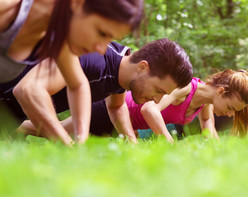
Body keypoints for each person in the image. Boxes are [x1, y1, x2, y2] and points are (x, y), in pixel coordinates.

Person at [0, 0, 143, 144]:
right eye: (102, 33)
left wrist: (80, 141)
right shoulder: (7, 9)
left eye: (110, 39)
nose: (101, 49)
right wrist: (65, 143)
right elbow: (28, 90)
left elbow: (78, 85)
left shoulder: (59, 36)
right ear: (77, 3)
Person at [16, 39, 193, 143]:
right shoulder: (94, 59)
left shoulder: (121, 71)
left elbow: (117, 107)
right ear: (142, 67)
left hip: (12, 115)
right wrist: (68, 145)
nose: (157, 100)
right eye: (158, 90)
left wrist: (131, 141)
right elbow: (30, 90)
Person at [76, 69, 248, 142]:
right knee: (53, 133)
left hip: (122, 127)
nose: (230, 115)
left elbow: (208, 126)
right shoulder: (186, 88)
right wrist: (170, 143)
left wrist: (217, 153)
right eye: (231, 108)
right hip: (112, 112)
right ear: (221, 91)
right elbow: (149, 109)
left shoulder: (206, 103)